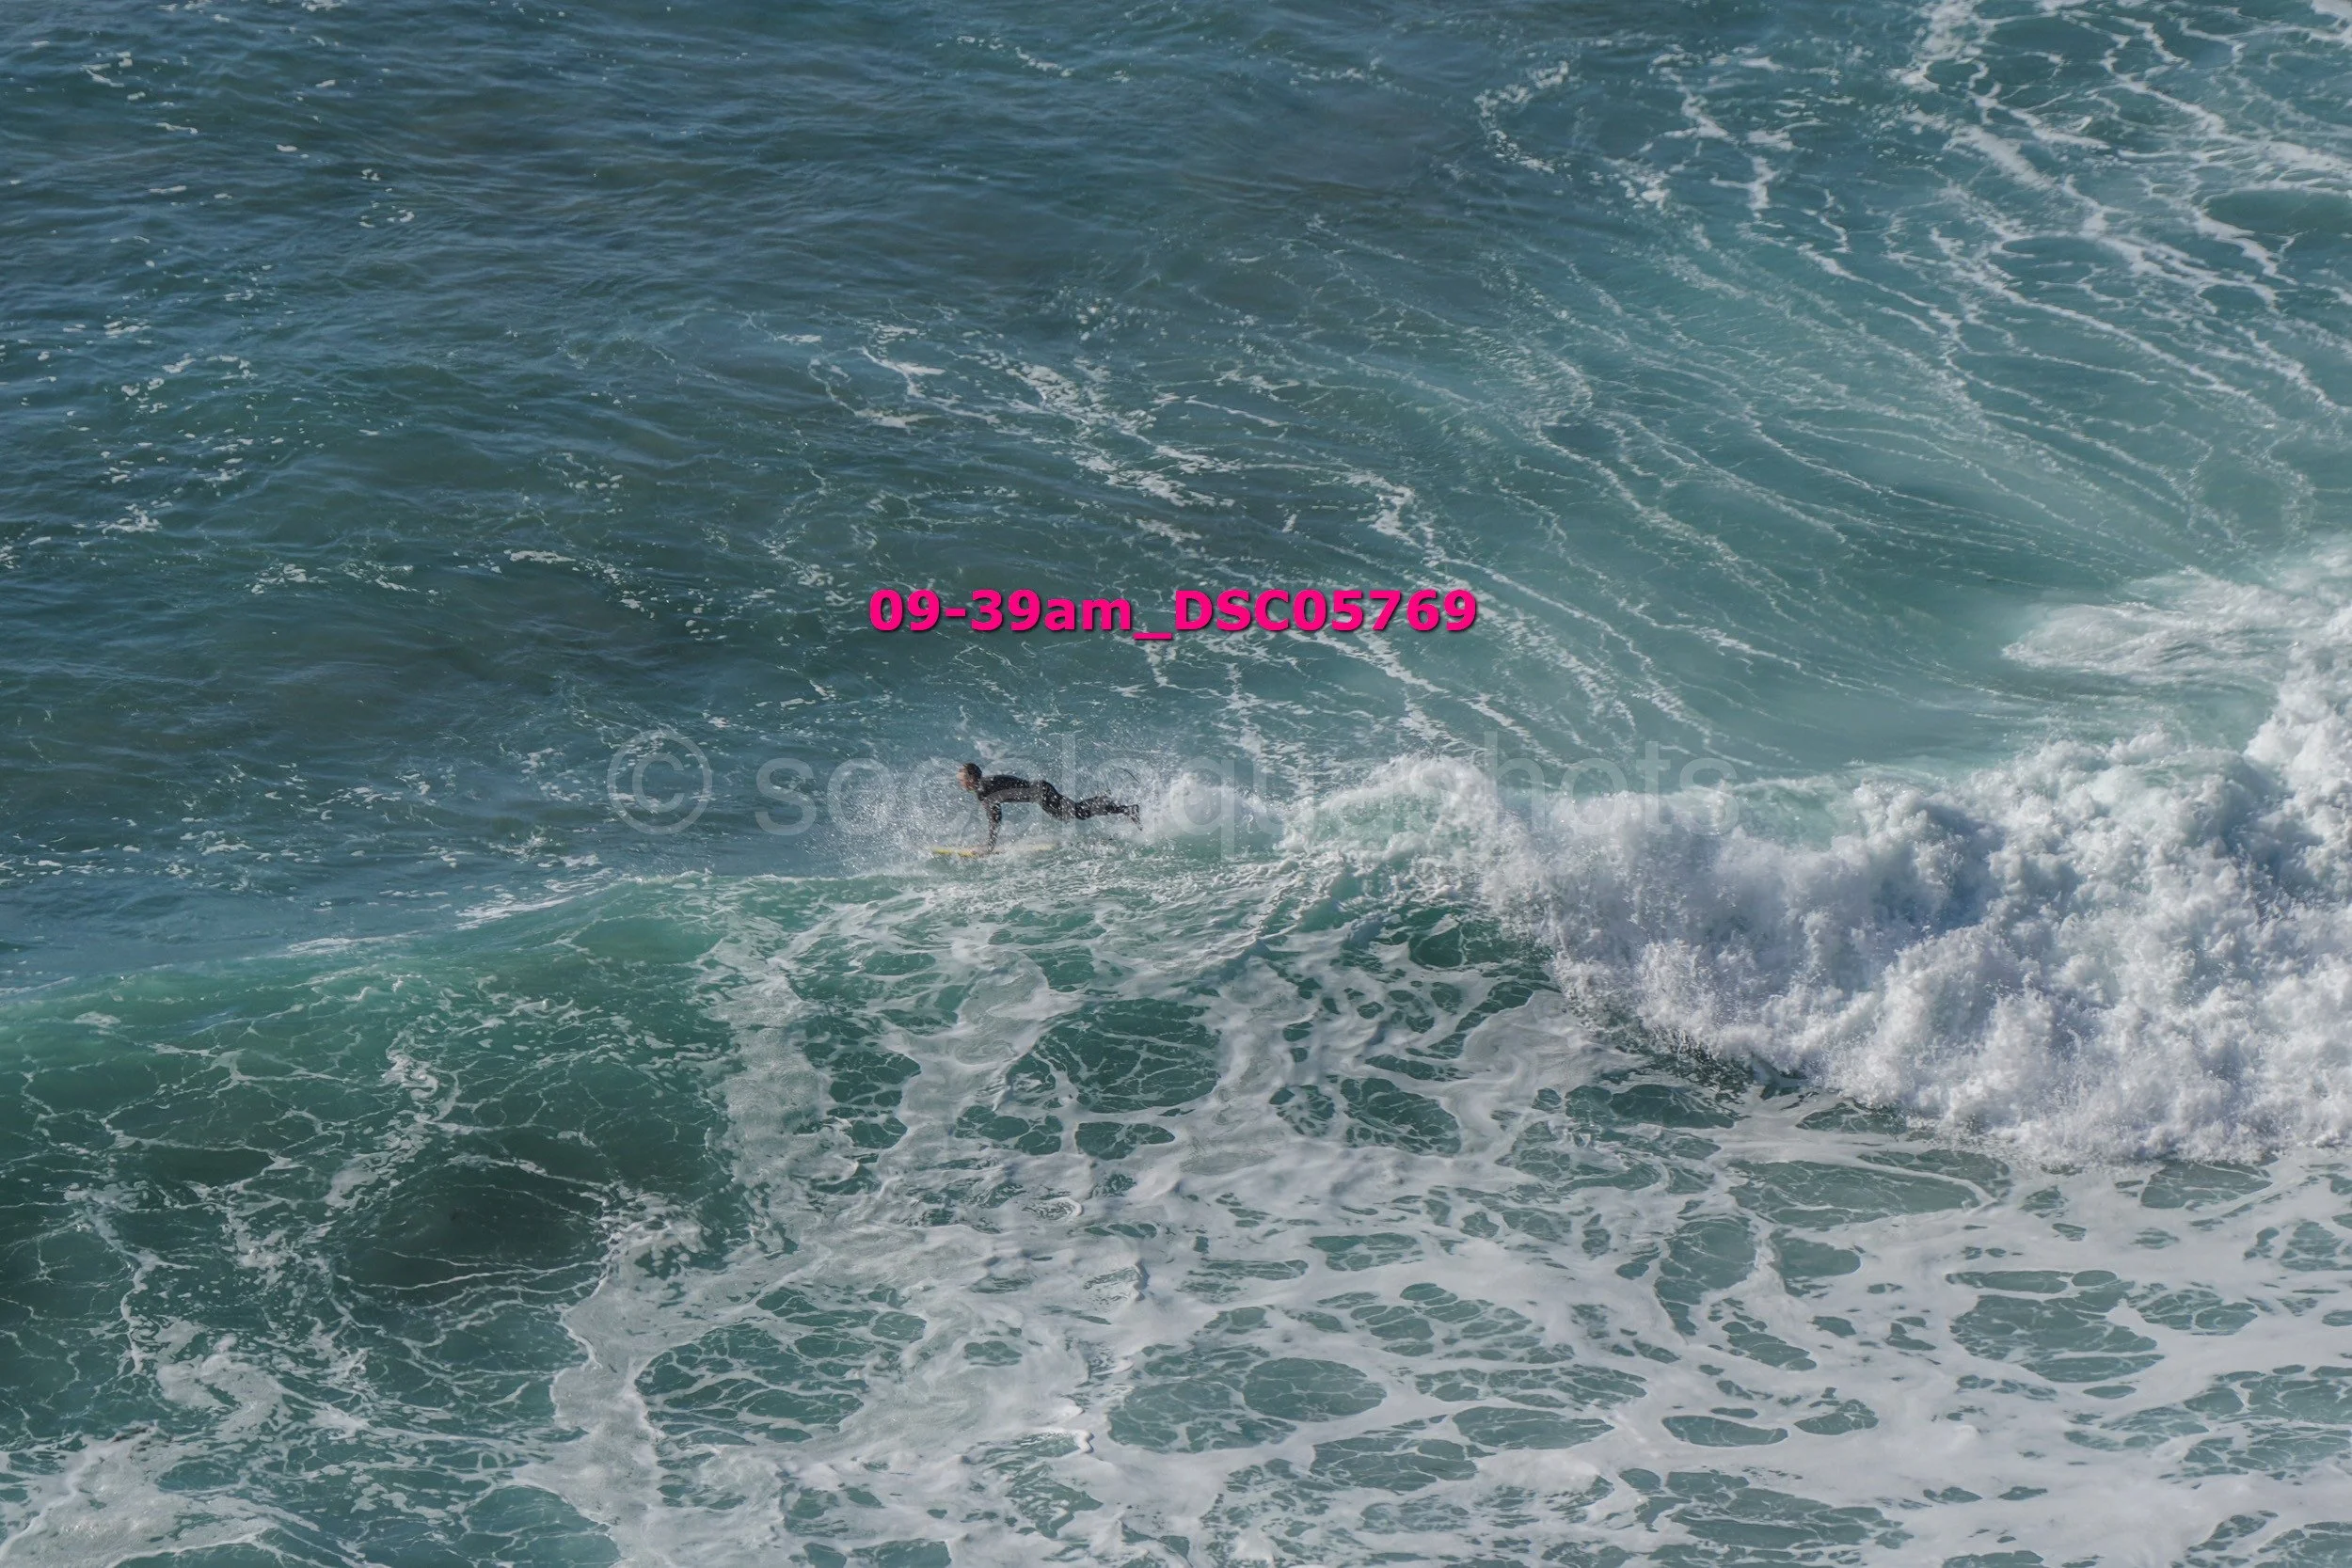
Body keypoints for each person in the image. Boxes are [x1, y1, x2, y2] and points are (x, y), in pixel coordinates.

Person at [958, 762, 1140, 853]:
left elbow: (995, 818)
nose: (961, 783)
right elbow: (995, 816)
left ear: (971, 779)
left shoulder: (983, 790)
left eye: (962, 779)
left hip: (1041, 793)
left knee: (1079, 812)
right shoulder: (984, 786)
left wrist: (989, 847)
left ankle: (1126, 809)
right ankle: (1106, 801)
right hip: (1041, 792)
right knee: (1074, 813)